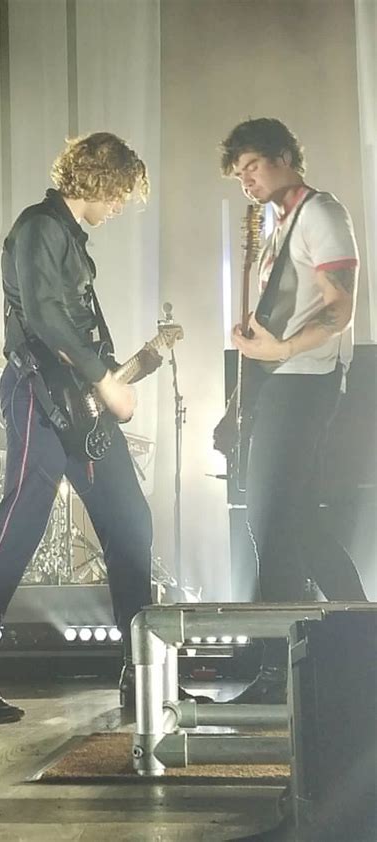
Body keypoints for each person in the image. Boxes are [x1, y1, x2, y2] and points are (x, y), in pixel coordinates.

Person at [0, 132, 161, 723]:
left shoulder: (68, 238)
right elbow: (42, 318)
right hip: (39, 393)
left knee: (129, 520)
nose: (120, 206)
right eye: (119, 192)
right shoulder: (40, 226)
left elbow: (75, 322)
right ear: (98, 179)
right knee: (20, 524)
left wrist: (111, 373)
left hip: (77, 402)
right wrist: (104, 378)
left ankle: (141, 674)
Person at [213, 118, 367, 703]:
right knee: (292, 520)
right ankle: (359, 632)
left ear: (283, 157)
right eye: (239, 175)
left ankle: (276, 669)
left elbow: (339, 310)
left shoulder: (323, 213)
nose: (246, 182)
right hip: (280, 379)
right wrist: (257, 342)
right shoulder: (281, 220)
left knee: (273, 524)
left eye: (252, 167)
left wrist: (278, 348)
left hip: (307, 381)